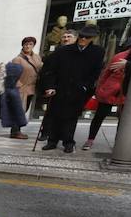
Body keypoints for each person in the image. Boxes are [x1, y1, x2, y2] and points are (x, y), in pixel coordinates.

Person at [40, 24, 104, 153]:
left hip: (78, 90)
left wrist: (86, 86)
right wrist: (50, 86)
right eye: (82, 36)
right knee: (55, 115)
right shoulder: (63, 50)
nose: (84, 39)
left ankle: (68, 141)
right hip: (60, 87)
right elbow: (50, 70)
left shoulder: (97, 52)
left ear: (92, 38)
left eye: (87, 37)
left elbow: (96, 72)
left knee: (71, 116)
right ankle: (52, 140)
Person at [83, 34, 131, 150]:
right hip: (110, 92)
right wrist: (100, 89)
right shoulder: (119, 57)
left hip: (129, 94)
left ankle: (118, 143)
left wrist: (128, 66)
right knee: (99, 116)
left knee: (123, 121)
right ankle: (90, 140)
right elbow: (105, 73)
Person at [36, 28, 78, 141]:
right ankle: (45, 133)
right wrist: (49, 86)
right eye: (64, 37)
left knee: (67, 114)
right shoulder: (55, 53)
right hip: (56, 87)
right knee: (51, 112)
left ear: (75, 39)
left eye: (69, 37)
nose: (66, 39)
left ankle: (64, 137)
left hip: (72, 88)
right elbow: (47, 71)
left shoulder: (79, 54)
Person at [10, 37, 43, 135]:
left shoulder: (37, 57)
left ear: (33, 46)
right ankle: (15, 131)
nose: (28, 46)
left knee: (25, 109)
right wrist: (18, 86)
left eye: (30, 44)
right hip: (21, 88)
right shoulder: (17, 59)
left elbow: (41, 67)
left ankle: (17, 129)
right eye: (26, 44)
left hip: (32, 88)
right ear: (22, 46)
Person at [0, 63, 28, 139]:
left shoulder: (10, 87)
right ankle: (15, 132)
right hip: (14, 92)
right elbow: (17, 111)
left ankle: (16, 131)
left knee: (16, 112)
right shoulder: (12, 90)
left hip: (14, 89)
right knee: (16, 112)